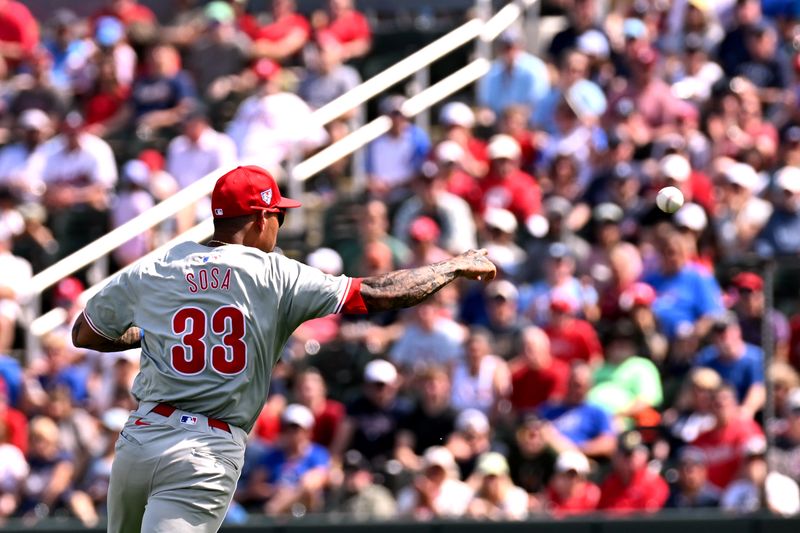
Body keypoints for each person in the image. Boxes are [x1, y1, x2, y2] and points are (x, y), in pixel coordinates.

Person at [71, 165, 497, 532]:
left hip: (141, 438)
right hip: (205, 448)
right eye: (279, 215)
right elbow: (379, 292)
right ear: (259, 219)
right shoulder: (275, 275)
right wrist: (451, 265)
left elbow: (85, 333)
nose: (280, 225)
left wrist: (148, 336)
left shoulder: (159, 266)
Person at [538, 362, 617, 459]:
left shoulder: (598, 412)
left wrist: (574, 451)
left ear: (590, 386)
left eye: (582, 385)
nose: (577, 390)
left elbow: (608, 443)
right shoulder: (549, 410)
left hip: (581, 462)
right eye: (574, 384)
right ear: (567, 383)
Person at [597, 431, 669, 513]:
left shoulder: (654, 484)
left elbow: (650, 519)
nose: (630, 459)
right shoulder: (609, 483)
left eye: (633, 454)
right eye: (626, 454)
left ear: (644, 455)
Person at [466, 452, 529, 520]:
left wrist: (489, 510)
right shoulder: (472, 495)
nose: (490, 482)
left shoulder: (517, 495)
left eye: (494, 477)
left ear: (504, 478)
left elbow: (514, 519)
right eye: (486, 477)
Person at [545, 449, 600, 517]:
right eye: (569, 474)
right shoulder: (549, 496)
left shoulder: (593, 496)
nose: (573, 480)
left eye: (573, 475)